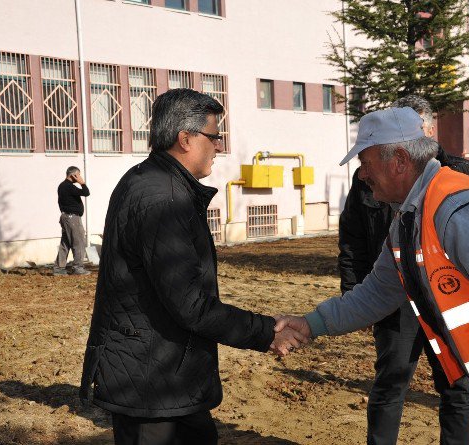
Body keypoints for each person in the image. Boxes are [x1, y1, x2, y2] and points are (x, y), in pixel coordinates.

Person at [278, 107, 469, 444]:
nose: (362, 174)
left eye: (365, 162)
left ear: (399, 160)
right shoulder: (408, 219)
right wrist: (312, 323)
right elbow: (376, 293)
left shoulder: (459, 211)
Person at [79, 88, 306, 445]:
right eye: (214, 136)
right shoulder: (162, 199)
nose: (218, 146)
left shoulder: (155, 183)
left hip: (165, 374)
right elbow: (190, 304)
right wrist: (266, 332)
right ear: (186, 138)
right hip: (152, 385)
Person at [338, 95, 469, 445]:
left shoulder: (463, 176)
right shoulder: (369, 178)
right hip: (392, 298)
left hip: (448, 300)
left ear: (428, 131)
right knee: (391, 381)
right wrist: (352, 292)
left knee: (457, 386)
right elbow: (353, 238)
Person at [54, 166, 90, 276]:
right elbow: (86, 192)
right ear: (73, 175)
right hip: (72, 218)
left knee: (65, 243)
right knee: (79, 242)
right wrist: (82, 183)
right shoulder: (68, 186)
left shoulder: (63, 186)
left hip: (66, 217)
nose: (79, 177)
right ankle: (78, 268)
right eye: (78, 175)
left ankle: (59, 268)